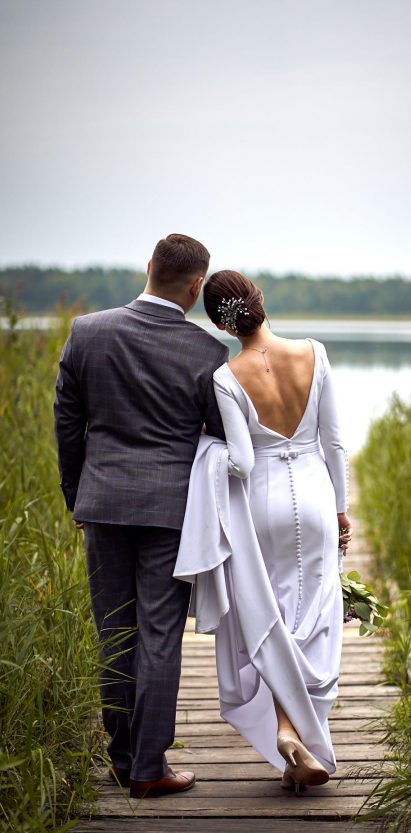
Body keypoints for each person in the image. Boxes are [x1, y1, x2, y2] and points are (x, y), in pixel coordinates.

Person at [54, 233, 228, 798]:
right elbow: (221, 438)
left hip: (101, 503)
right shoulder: (207, 353)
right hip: (170, 511)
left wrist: (75, 495)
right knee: (159, 632)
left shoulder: (88, 332)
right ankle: (150, 768)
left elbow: (68, 422)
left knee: (114, 630)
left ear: (149, 267)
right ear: (197, 286)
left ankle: (124, 757)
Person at [174, 270, 351, 792]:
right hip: (316, 495)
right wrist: (340, 509)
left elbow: (244, 461)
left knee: (271, 616)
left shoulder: (226, 377)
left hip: (262, 502)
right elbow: (335, 443)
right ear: (262, 301)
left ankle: (288, 732)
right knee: (315, 614)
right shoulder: (313, 353)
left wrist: (208, 453)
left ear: (219, 324)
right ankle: (295, 731)